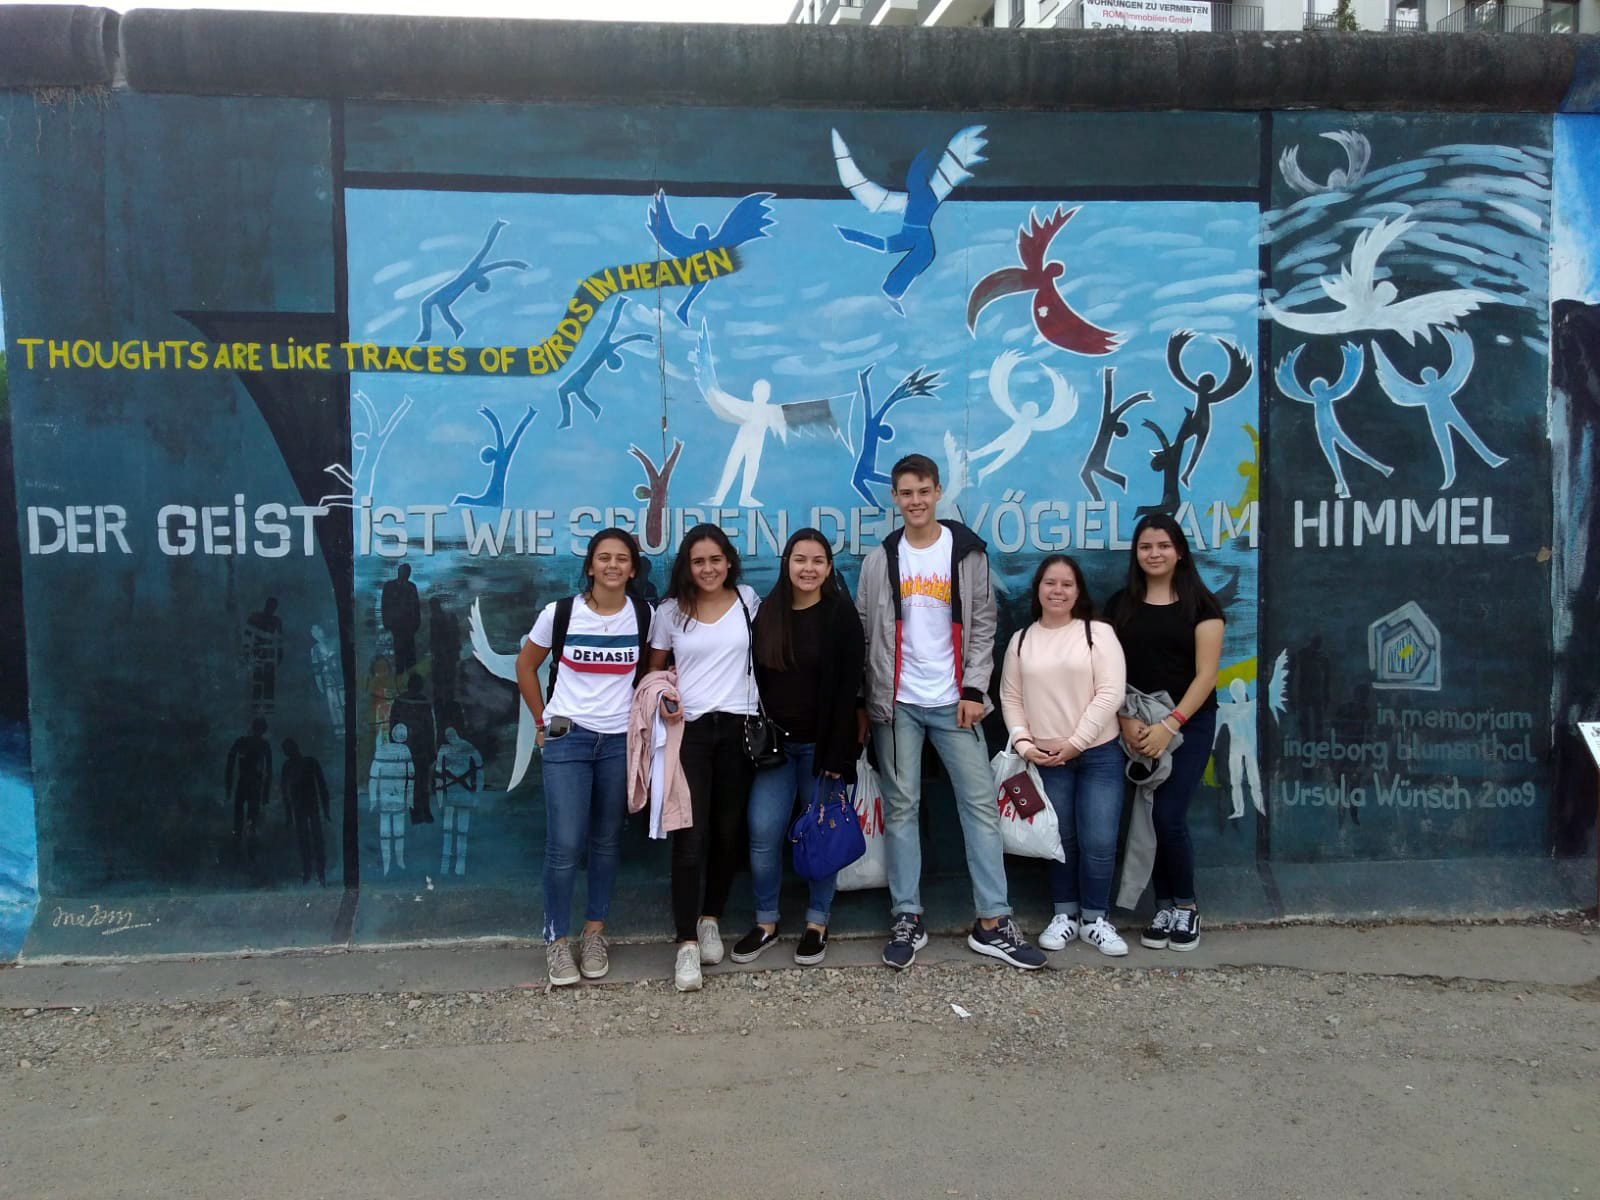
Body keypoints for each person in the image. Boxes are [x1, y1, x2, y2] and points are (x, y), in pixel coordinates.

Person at [856, 453, 1045, 971]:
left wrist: (974, 689)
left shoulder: (966, 554)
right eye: (906, 493)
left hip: (955, 702)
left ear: (938, 492)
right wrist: (869, 701)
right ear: (895, 498)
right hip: (896, 705)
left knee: (980, 807)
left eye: (923, 491)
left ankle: (993, 921)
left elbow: (983, 623)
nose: (915, 501)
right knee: (901, 810)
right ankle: (907, 916)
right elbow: (866, 633)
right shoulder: (879, 560)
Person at [516, 528, 651, 987]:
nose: (612, 565)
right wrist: (542, 723)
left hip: (618, 741)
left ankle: (594, 934)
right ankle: (556, 940)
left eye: (621, 558)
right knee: (565, 843)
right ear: (590, 566)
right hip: (568, 739)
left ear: (632, 569)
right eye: (603, 557)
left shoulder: (644, 615)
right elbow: (525, 665)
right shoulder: (560, 613)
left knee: (607, 841)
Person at [733, 529, 866, 967]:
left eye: (817, 561)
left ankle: (816, 922)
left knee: (821, 837)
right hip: (775, 751)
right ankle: (766, 921)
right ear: (787, 563)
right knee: (762, 833)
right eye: (800, 559)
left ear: (828, 568)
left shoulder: (840, 615)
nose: (808, 568)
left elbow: (849, 690)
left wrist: (837, 755)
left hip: (821, 751)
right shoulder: (767, 613)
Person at [646, 524, 761, 992]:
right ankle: (686, 944)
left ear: (729, 561)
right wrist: (663, 696)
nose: (708, 569)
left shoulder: (748, 601)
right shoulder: (670, 612)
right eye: (699, 561)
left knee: (729, 832)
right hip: (689, 733)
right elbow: (652, 673)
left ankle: (711, 917)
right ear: (687, 567)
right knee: (690, 837)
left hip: (741, 729)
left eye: (715, 559)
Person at [1106, 513, 1225, 952]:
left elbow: (1207, 676)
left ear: (1179, 552)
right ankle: (1163, 906)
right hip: (1135, 722)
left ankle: (1186, 906)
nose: (1154, 554)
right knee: (1146, 813)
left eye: (1163, 546)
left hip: (1188, 724)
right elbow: (1108, 671)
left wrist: (1169, 725)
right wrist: (1124, 719)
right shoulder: (1120, 605)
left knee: (1167, 815)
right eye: (1145, 547)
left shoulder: (1203, 606)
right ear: (1135, 554)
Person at [999, 555, 1128, 956]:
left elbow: (1111, 693)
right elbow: (1011, 697)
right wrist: (1024, 744)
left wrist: (1076, 742)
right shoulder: (1021, 640)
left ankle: (1095, 919)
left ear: (1078, 591)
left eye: (1066, 584)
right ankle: (1065, 915)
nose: (1057, 591)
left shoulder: (1097, 633)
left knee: (1099, 839)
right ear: (1038, 588)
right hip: (1045, 758)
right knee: (1059, 839)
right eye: (1050, 583)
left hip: (1098, 754)